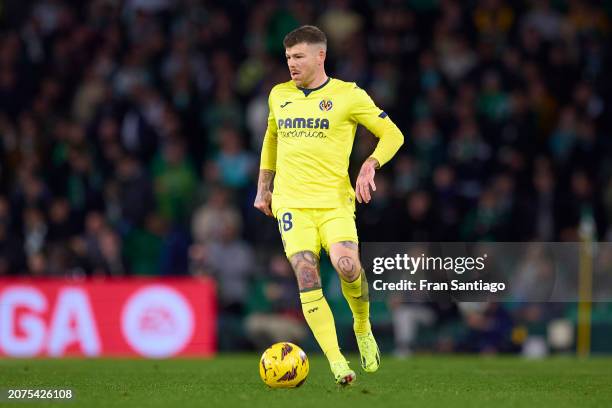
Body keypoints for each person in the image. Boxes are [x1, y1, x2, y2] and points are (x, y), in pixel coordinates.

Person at [254, 25, 404, 385]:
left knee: (348, 266)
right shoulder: (279, 95)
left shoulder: (348, 95)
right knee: (306, 272)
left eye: (299, 57)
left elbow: (393, 134)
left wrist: (370, 164)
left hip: (334, 202)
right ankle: (338, 363)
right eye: (288, 57)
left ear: (320, 56)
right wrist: (264, 188)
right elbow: (271, 138)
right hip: (292, 204)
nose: (291, 64)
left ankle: (363, 328)